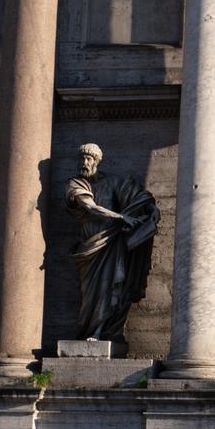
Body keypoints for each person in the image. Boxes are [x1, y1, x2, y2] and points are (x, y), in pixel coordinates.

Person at [65, 142, 160, 341]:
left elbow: (138, 197)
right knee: (89, 293)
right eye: (82, 158)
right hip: (91, 246)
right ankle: (90, 331)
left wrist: (152, 210)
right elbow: (91, 208)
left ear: (97, 161)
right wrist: (121, 217)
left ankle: (100, 333)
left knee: (110, 287)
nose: (84, 162)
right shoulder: (76, 184)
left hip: (113, 243)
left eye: (88, 158)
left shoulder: (113, 182)